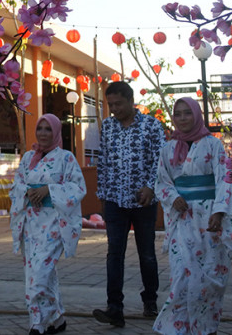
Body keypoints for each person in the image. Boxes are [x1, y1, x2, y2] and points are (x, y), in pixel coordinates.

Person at [153, 97, 232, 335]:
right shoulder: (168, 149)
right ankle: (178, 328)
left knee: (209, 278)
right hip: (182, 220)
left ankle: (206, 327)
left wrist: (219, 211)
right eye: (177, 114)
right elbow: (162, 182)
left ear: (197, 115)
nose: (182, 119)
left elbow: (225, 178)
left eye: (187, 113)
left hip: (209, 221)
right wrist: (173, 198)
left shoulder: (214, 145)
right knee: (181, 277)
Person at [93, 81, 165, 328]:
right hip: (114, 200)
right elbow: (102, 162)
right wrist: (102, 195)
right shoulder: (108, 127)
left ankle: (150, 301)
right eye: (110, 104)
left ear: (131, 100)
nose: (114, 109)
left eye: (118, 104)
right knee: (114, 254)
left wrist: (151, 186)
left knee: (147, 254)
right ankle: (114, 307)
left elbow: (160, 160)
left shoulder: (152, 126)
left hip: (143, 201)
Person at [10, 114, 86, 335]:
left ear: (56, 132)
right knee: (39, 272)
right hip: (31, 223)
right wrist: (28, 191)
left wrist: (48, 190)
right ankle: (58, 318)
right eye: (40, 129)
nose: (43, 133)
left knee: (40, 272)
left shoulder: (66, 158)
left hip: (55, 223)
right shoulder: (28, 158)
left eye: (48, 129)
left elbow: (78, 188)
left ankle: (38, 323)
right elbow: (17, 185)